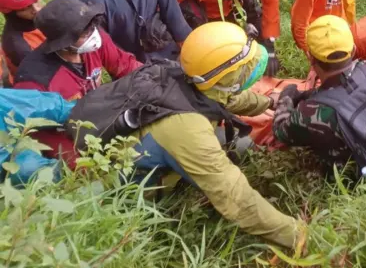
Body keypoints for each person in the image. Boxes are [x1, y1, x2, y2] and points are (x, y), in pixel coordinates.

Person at [64, 21, 306, 252]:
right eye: (246, 66)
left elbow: (225, 97)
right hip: (126, 191)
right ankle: (150, 209)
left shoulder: (185, 74)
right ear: (226, 77)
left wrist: (270, 101)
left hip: (156, 141)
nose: (253, 67)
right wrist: (298, 235)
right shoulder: (188, 130)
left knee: (240, 143)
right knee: (228, 173)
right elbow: (236, 198)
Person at [273, 15, 366, 176]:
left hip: (354, 182)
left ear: (310, 58)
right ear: (353, 50)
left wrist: (287, 95)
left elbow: (281, 131)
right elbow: (345, 88)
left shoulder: (308, 113)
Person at [13, 0, 142, 168]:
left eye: (93, 28)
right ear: (63, 43)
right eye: (84, 34)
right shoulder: (34, 81)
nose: (93, 35)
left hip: (100, 114)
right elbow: (39, 132)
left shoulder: (95, 40)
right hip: (67, 135)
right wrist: (80, 163)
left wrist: (154, 77)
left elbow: (126, 66)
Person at [0, 0, 47, 85]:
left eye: (36, 1)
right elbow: (43, 76)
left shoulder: (34, 18)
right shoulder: (18, 45)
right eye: (25, 8)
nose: (36, 9)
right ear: (10, 12)